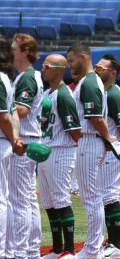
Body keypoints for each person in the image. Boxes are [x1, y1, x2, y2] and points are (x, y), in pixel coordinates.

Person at [67, 42, 115, 259]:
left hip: (89, 140)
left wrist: (107, 137)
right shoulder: (88, 81)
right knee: (91, 196)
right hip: (89, 140)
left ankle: (93, 248)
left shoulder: (88, 82)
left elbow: (95, 117)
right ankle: (94, 246)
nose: (70, 65)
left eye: (71, 60)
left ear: (83, 57)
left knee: (91, 197)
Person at [39, 54, 81, 259]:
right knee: (49, 202)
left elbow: (75, 130)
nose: (43, 68)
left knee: (61, 201)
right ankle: (56, 249)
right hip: (47, 151)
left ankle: (69, 250)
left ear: (59, 69)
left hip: (62, 151)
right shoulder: (48, 93)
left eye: (47, 66)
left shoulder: (64, 94)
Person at [6, 33, 43, 259]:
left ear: (26, 51)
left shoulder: (27, 77)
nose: (10, 49)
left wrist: (3, 111)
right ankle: (30, 249)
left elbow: (22, 110)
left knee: (18, 200)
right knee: (27, 199)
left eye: (14, 46)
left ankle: (19, 251)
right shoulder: (26, 76)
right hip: (28, 142)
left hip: (23, 141)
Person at [95, 54, 120, 258]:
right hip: (105, 149)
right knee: (100, 196)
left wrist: (117, 142)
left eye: (101, 68)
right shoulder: (103, 91)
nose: (97, 70)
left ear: (113, 72)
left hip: (112, 149)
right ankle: (103, 241)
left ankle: (116, 245)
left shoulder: (114, 94)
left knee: (108, 195)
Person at [0, 35, 22, 259]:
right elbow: (12, 112)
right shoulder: (6, 77)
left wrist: (13, 138)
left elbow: (4, 116)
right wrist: (15, 138)